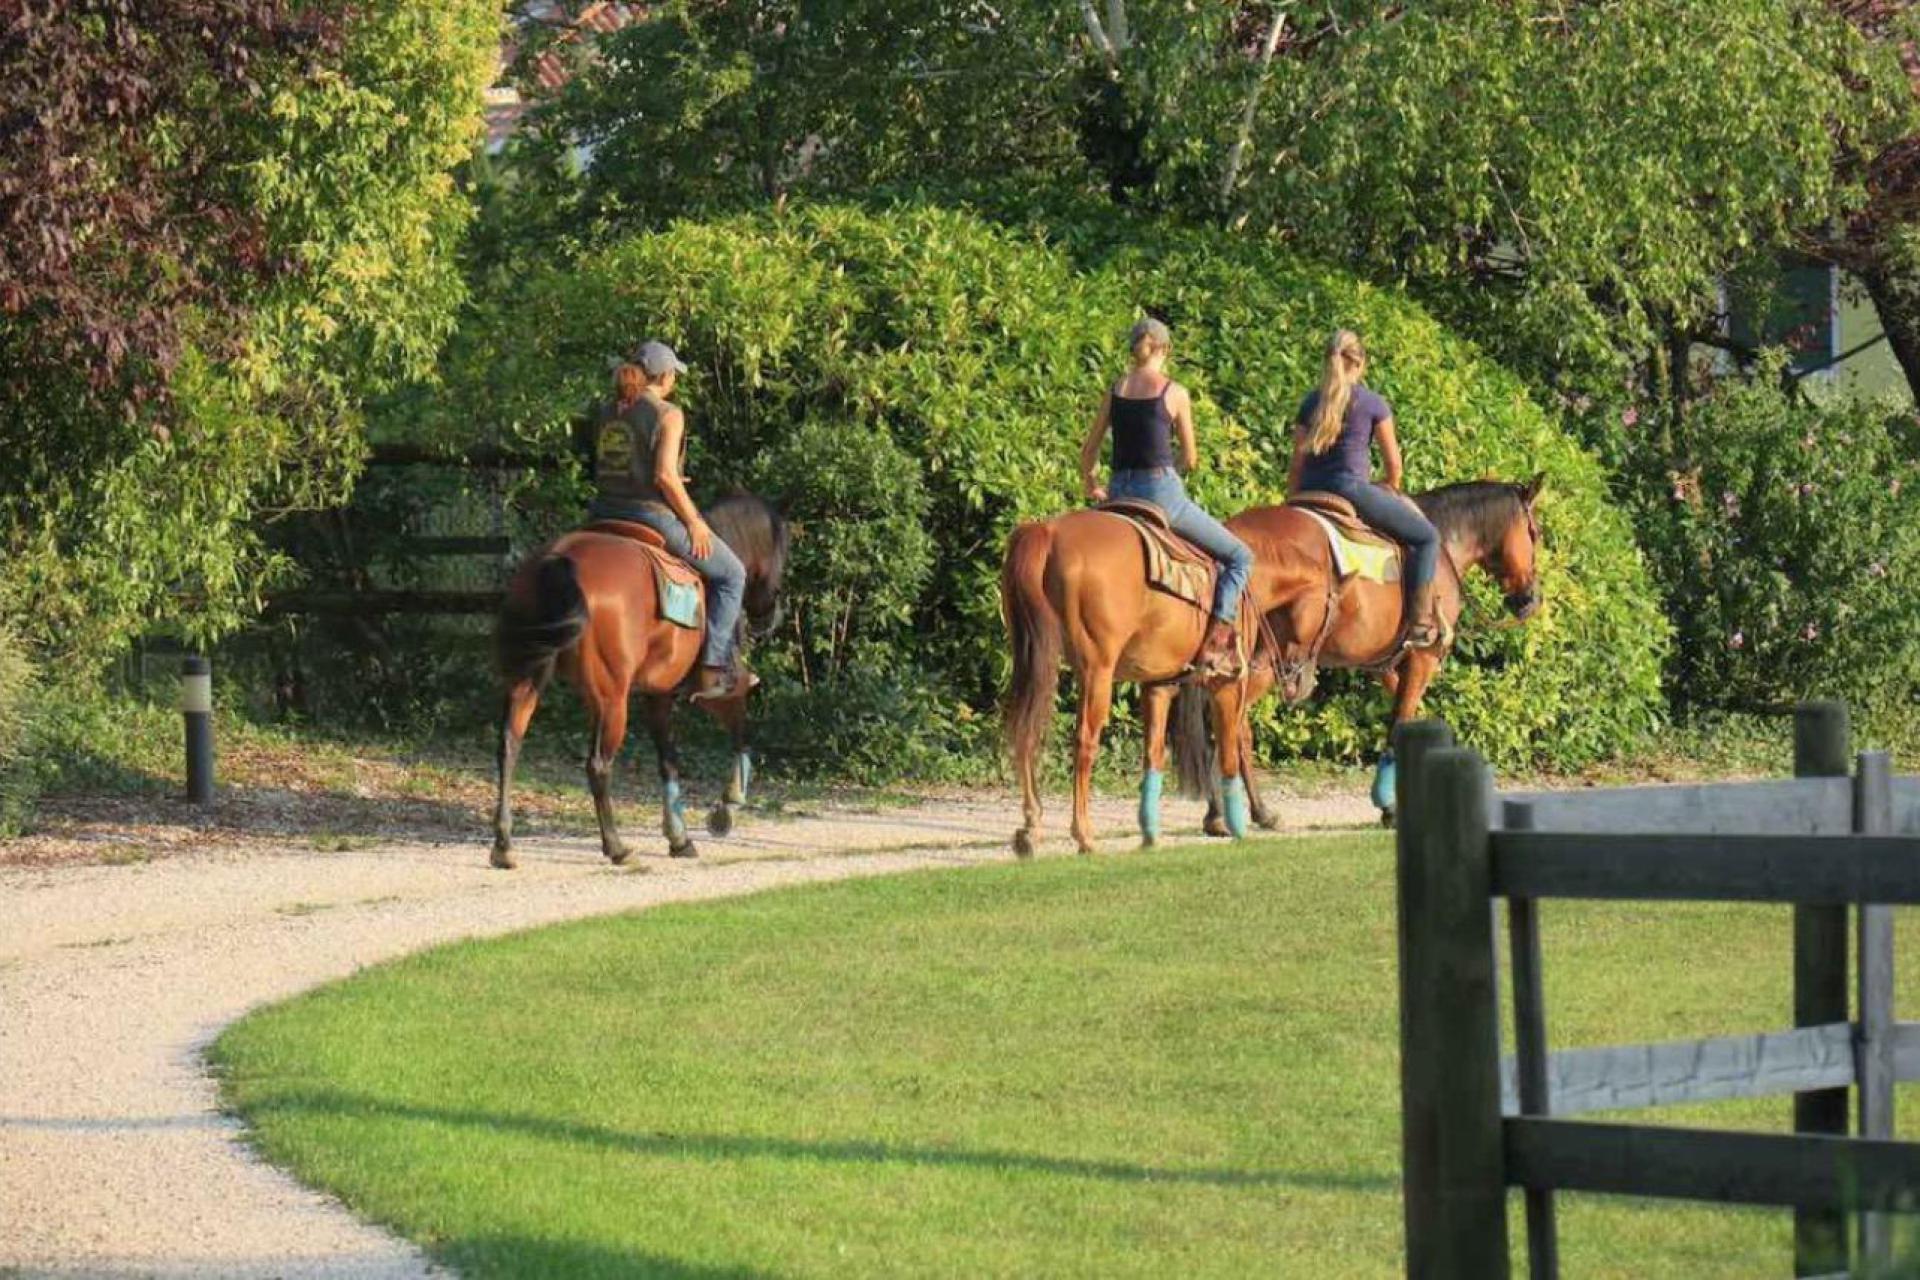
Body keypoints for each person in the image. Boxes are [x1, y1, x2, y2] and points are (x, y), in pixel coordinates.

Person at [1081, 317, 1254, 677]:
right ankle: (1217, 640)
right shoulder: (1174, 393)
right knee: (1239, 556)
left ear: (1135, 348)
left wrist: (1091, 486)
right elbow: (1190, 458)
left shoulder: (1115, 390)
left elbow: (1089, 451)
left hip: (1117, 493)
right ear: (1165, 349)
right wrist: (1168, 468)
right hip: (1161, 493)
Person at [589, 340, 752, 700]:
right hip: (650, 514)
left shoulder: (607, 410)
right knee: (732, 575)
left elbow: (619, 463)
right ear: (664, 376)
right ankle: (713, 671)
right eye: (674, 374)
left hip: (601, 513)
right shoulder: (668, 413)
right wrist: (694, 521)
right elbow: (663, 476)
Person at [1288, 329, 1443, 647]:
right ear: (1361, 364)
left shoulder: (1310, 402)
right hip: (1350, 491)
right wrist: (1389, 488)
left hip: (1307, 493)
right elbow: (1394, 467)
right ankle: (1419, 623)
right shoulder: (1373, 403)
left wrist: (1291, 501)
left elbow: (1297, 464)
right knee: (1428, 537)